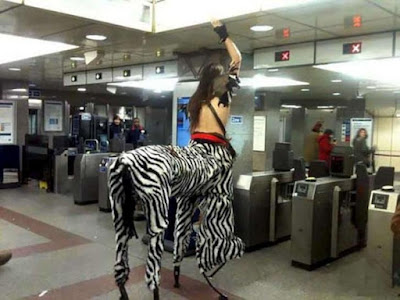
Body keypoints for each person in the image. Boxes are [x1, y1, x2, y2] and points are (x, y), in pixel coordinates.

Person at [109, 19, 244, 300]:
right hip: (212, 158)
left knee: (181, 201)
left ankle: (150, 270)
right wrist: (223, 35)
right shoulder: (223, 98)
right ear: (219, 81)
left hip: (191, 150)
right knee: (221, 200)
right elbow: (238, 58)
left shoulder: (195, 103)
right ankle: (215, 244)